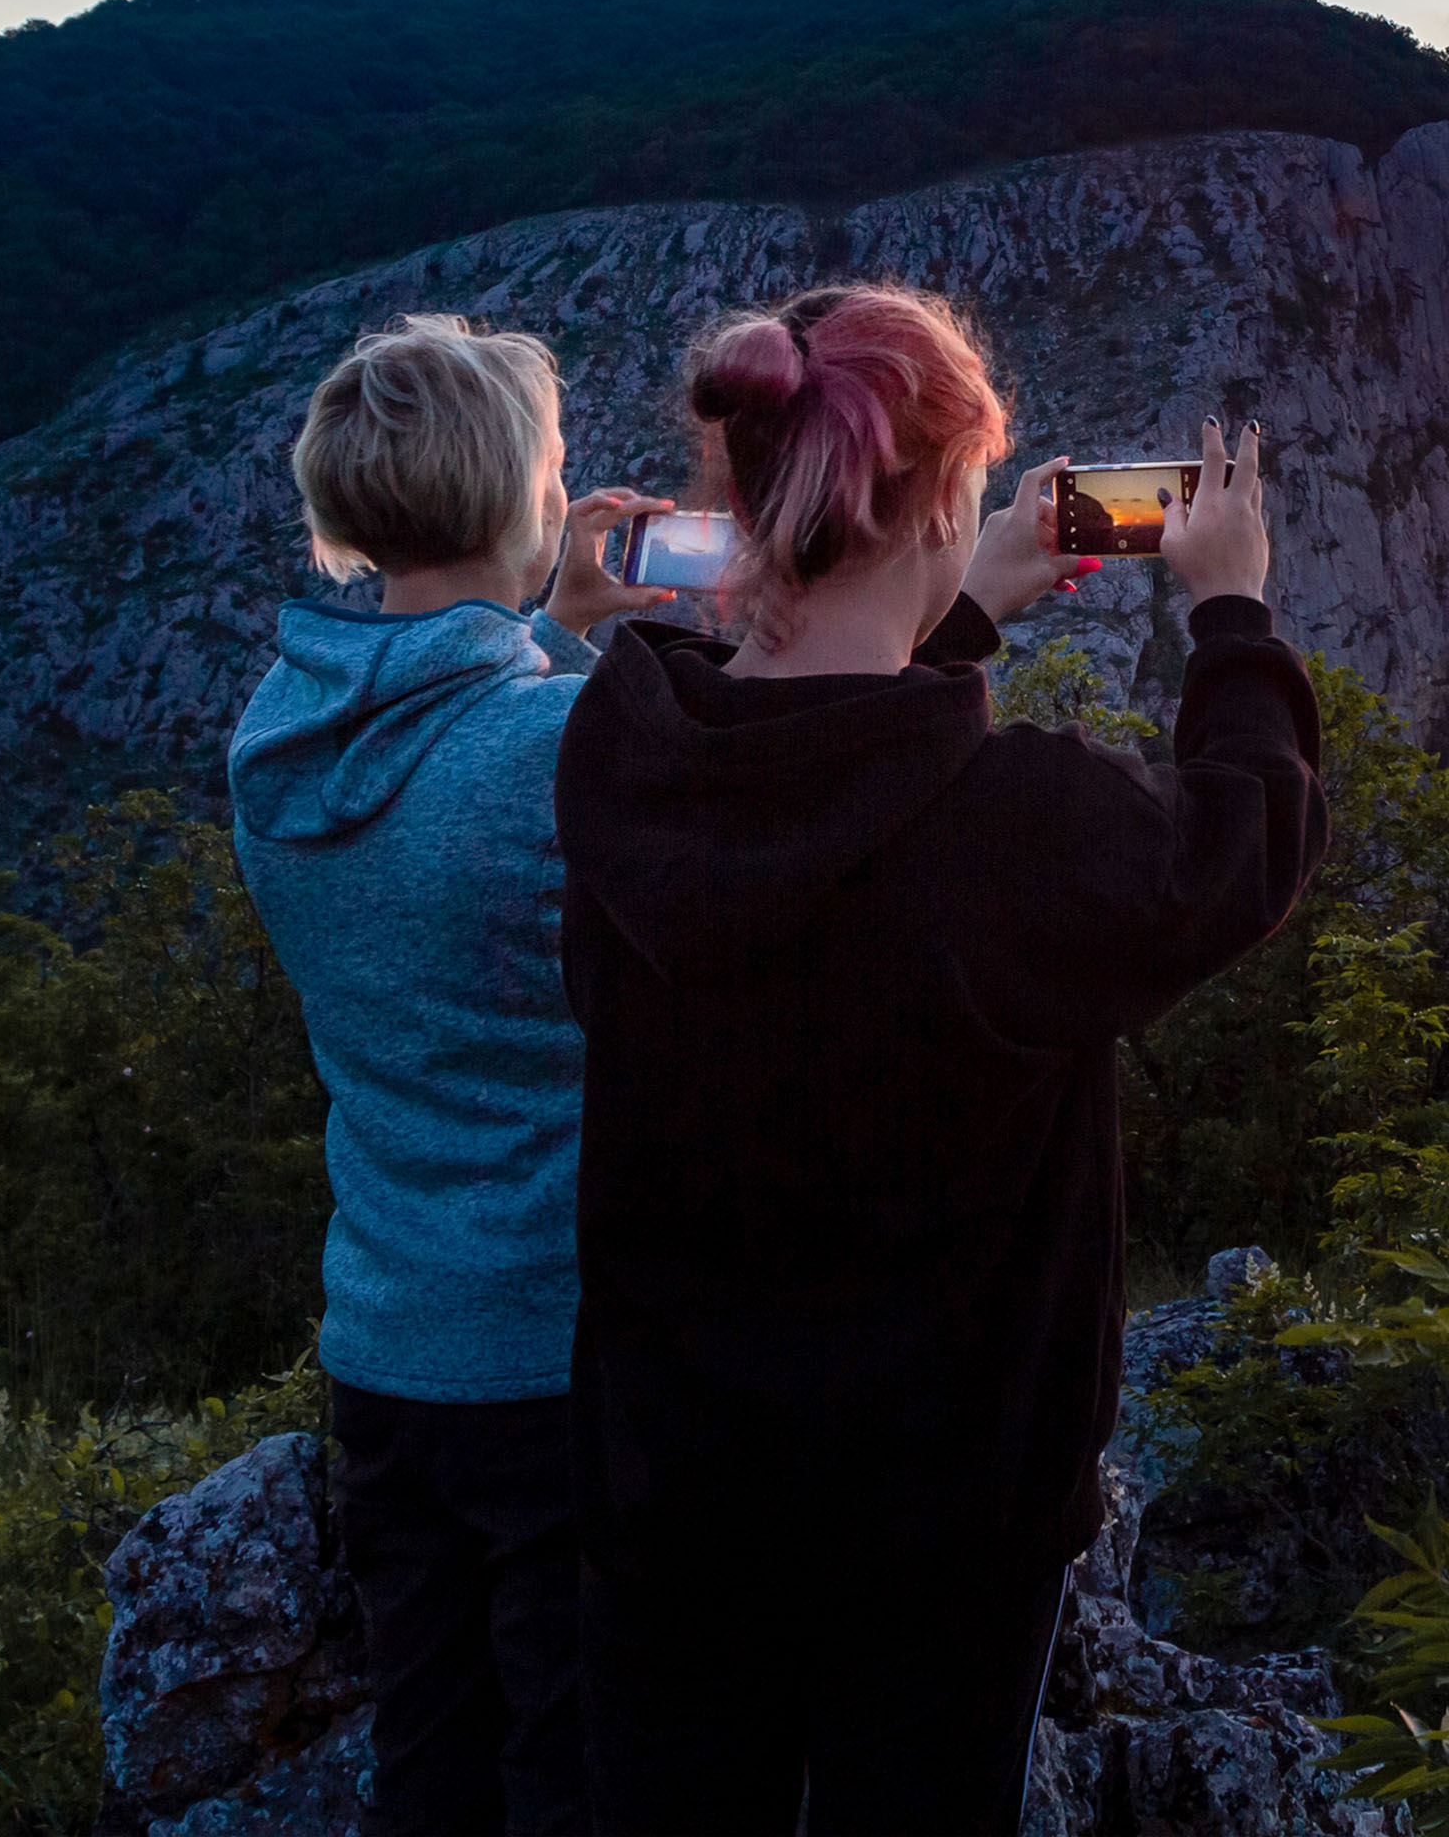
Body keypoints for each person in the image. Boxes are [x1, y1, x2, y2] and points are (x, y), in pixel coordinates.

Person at [555, 285, 1325, 1835]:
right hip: (944, 1509)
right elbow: (1245, 838)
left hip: (678, 1473)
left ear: (748, 499)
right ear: (938, 503)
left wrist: (957, 602)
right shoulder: (1021, 836)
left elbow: (801, 752)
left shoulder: (623, 754)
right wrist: (1232, 617)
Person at [225, 313, 673, 1837]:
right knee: (573, 1763)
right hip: (550, 1352)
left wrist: (557, 636)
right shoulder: (559, 745)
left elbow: (438, 770)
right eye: (550, 465)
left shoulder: (274, 740)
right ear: (518, 504)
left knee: (431, 1757)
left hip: (387, 1345)